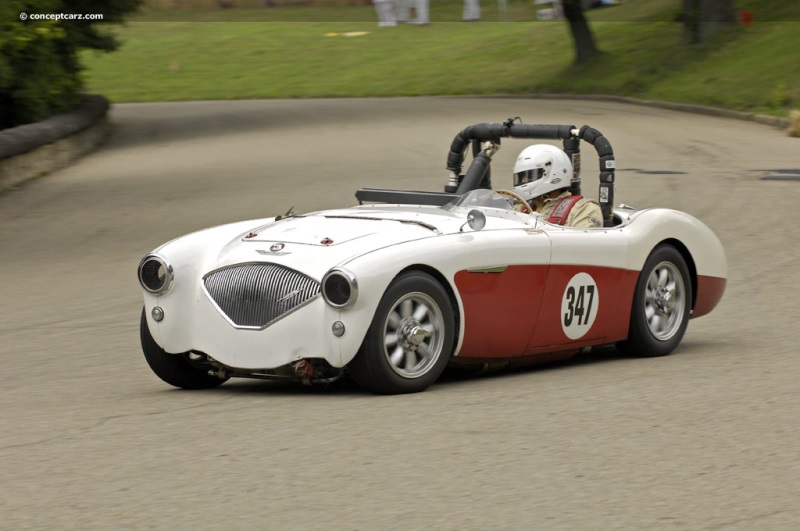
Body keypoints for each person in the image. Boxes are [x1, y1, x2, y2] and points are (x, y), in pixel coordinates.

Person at [512, 144, 603, 228]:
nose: (524, 180)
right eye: (521, 176)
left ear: (554, 173)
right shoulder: (519, 209)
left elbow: (583, 244)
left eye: (530, 175)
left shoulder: (583, 209)